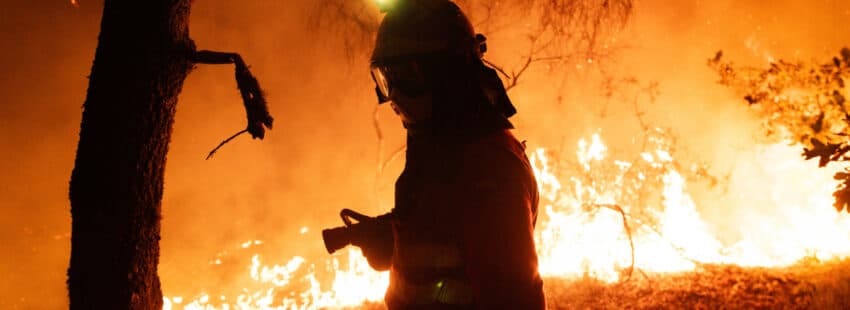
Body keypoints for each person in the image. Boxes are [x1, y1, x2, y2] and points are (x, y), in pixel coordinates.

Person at [363, 0, 546, 308]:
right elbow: (444, 246)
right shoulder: (439, 150)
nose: (394, 94)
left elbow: (512, 295)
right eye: (386, 78)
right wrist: (394, 239)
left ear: (448, 74)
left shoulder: (488, 168)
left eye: (405, 75)